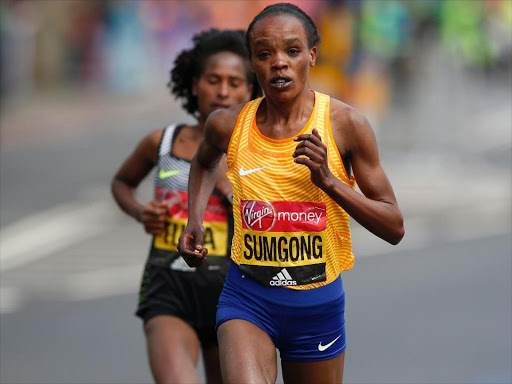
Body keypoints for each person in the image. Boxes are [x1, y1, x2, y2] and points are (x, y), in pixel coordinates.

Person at [178, 3, 405, 384]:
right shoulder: (226, 125)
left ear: (312, 56)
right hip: (247, 299)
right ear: (253, 63)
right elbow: (203, 163)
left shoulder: (346, 126)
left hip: (315, 306)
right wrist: (195, 220)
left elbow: (394, 226)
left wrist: (330, 181)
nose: (279, 63)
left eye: (292, 51)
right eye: (265, 53)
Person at [111, 29, 260, 384]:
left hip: (235, 296)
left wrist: (227, 187)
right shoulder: (162, 142)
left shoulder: (259, 153)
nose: (223, 91)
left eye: (235, 82)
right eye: (213, 80)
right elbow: (121, 183)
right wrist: (139, 211)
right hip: (168, 290)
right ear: (194, 85)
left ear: (250, 91)